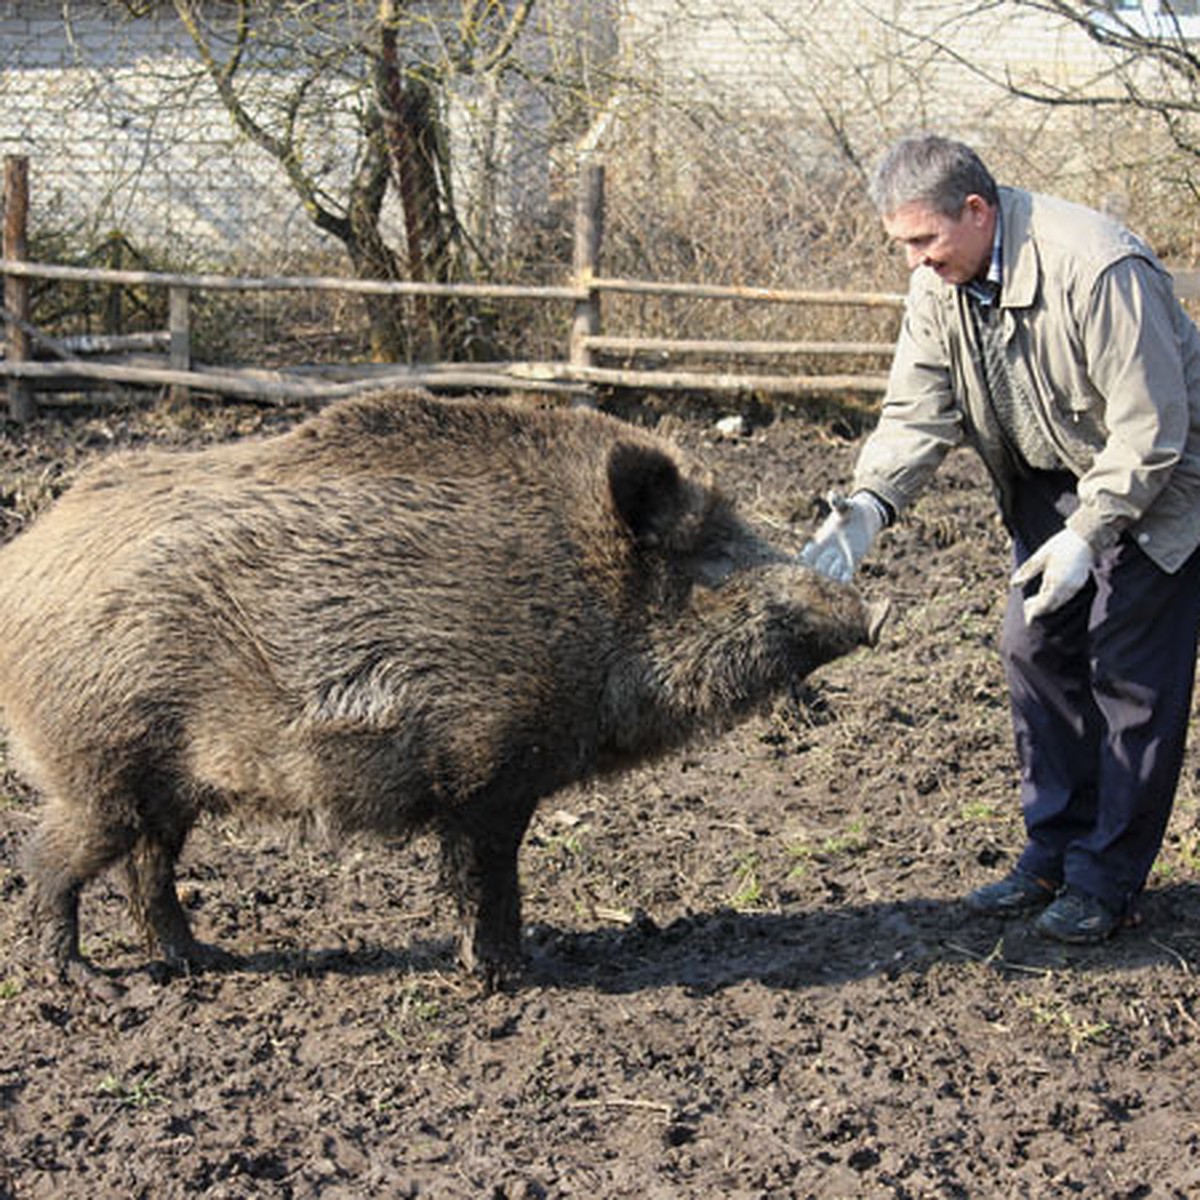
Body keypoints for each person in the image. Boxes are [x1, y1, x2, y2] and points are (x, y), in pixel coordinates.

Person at [801, 133, 1200, 943]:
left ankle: (1107, 880)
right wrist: (870, 505)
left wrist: (1090, 531)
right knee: (1032, 645)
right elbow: (917, 409)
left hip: (1162, 478)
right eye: (902, 244)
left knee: (1128, 670)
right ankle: (1051, 854)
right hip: (1051, 475)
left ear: (976, 210)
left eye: (923, 240)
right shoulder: (942, 283)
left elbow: (1151, 430)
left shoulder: (1098, 268)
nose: (913, 261)